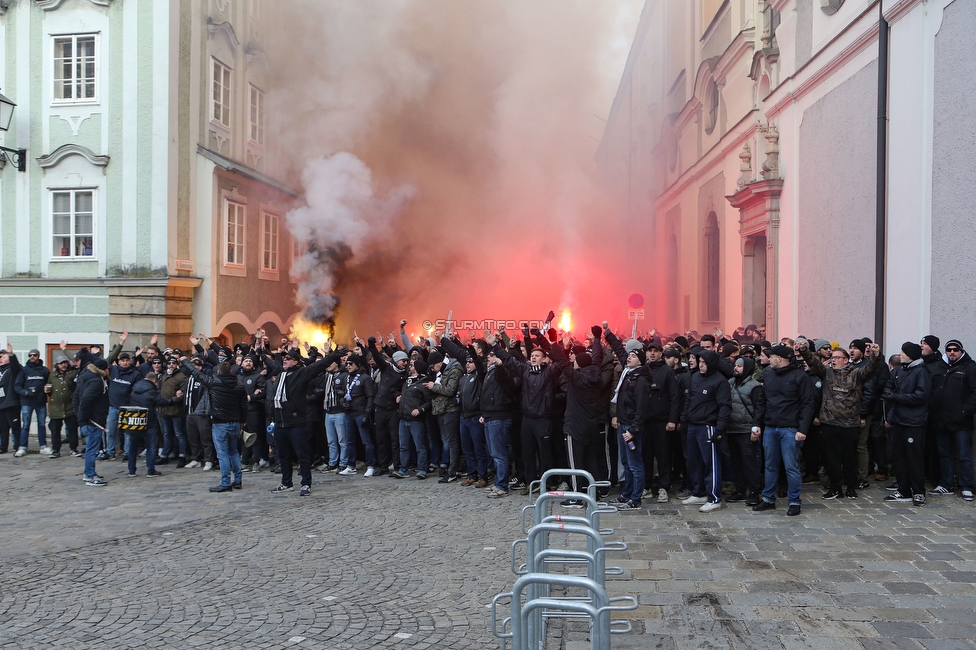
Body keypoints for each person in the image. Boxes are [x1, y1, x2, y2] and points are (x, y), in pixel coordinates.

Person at [799, 340, 881, 500]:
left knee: (850, 458)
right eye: (833, 357)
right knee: (831, 459)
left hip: (849, 425)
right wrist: (804, 350)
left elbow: (871, 369)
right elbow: (813, 363)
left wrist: (876, 355)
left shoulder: (856, 374)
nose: (834, 359)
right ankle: (836, 488)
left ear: (846, 360)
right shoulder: (827, 373)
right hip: (829, 424)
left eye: (837, 357)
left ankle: (851, 487)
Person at [263, 346, 343, 495]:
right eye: (284, 358)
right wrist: (262, 351)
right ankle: (286, 482)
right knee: (283, 455)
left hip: (296, 422)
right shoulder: (280, 375)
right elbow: (272, 366)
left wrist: (333, 355)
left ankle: (306, 483)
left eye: (288, 358)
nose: (285, 360)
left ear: (296, 362)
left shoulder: (302, 374)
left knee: (302, 455)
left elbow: (318, 365)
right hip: (280, 422)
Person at [752, 344, 817, 516]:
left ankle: (794, 501)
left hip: (791, 428)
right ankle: (768, 499)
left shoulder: (800, 376)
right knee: (770, 466)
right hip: (771, 427)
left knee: (791, 466)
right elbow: (762, 402)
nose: (767, 359)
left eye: (770, 356)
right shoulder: (769, 374)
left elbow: (807, 404)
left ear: (779, 358)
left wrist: (802, 429)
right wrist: (757, 424)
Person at [605, 325, 652, 510]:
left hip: (632, 428)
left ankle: (636, 498)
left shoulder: (640, 379)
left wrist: (632, 430)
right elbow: (619, 350)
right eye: (628, 356)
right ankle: (626, 494)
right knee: (626, 462)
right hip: (623, 423)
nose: (628, 357)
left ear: (639, 361)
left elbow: (641, 409)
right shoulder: (629, 372)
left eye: (632, 356)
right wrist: (608, 334)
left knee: (635, 464)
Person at [182, 359, 247, 492]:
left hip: (220, 423)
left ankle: (225, 482)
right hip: (235, 423)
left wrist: (184, 360)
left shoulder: (214, 383)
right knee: (234, 451)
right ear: (230, 371)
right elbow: (244, 405)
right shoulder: (240, 385)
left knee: (222, 454)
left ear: (218, 372)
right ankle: (238, 480)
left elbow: (196, 373)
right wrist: (243, 421)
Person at [679, 349, 732, 513]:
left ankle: (714, 497)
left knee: (711, 463)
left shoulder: (720, 381)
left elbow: (725, 407)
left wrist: (720, 428)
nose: (701, 365)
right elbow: (690, 400)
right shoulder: (695, 378)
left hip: (708, 425)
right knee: (693, 461)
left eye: (703, 362)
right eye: (699, 362)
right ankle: (699, 491)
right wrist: (684, 418)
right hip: (693, 425)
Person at [560, 326, 608, 507]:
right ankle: (592, 494)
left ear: (579, 363)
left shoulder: (577, 377)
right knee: (590, 462)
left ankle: (577, 497)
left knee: (575, 464)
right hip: (591, 426)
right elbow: (596, 357)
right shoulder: (595, 372)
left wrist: (560, 346)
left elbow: (562, 362)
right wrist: (597, 338)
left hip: (575, 427)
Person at [883, 342, 931, 506]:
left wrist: (897, 397)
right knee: (899, 457)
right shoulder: (898, 371)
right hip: (899, 421)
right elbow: (888, 389)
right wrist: (891, 415)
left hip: (914, 422)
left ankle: (918, 492)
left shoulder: (921, 372)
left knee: (914, 458)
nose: (900, 354)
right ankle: (903, 489)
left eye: (902, 352)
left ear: (910, 355)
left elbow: (921, 395)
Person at [929, 339, 976, 501]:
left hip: (961, 421)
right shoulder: (939, 367)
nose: (952, 352)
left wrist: (964, 411)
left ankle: (966, 486)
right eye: (949, 349)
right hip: (941, 420)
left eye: (955, 349)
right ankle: (946, 484)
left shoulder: (969, 367)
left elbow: (974, 393)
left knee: (964, 455)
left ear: (961, 351)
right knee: (944, 454)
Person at [641, 339, 680, 503]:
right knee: (646, 456)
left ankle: (664, 487)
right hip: (644, 421)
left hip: (662, 421)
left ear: (660, 353)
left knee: (663, 456)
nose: (652, 353)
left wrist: (672, 419)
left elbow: (674, 397)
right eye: (650, 351)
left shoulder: (667, 371)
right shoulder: (643, 370)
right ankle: (647, 486)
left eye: (655, 351)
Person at [127, 371, 181, 478]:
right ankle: (150, 470)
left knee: (133, 447)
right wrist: (175, 398)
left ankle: (131, 470)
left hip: (135, 421)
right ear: (155, 381)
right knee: (151, 446)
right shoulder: (151, 390)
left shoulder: (135, 387)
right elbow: (162, 402)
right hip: (148, 421)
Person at [726, 356, 763, 506]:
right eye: (735, 365)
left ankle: (754, 491)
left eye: (739, 366)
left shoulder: (754, 386)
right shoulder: (730, 383)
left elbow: (759, 409)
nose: (736, 368)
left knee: (749, 462)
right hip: (732, 429)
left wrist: (756, 428)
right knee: (735, 462)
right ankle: (740, 490)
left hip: (747, 430)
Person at [424, 349, 463, 483]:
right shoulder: (443, 372)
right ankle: (451, 470)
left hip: (450, 410)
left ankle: (452, 471)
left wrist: (434, 386)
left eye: (432, 366)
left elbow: (450, 390)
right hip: (442, 410)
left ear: (439, 363)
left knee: (452, 442)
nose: (432, 369)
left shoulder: (454, 370)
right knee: (448, 441)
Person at [393, 358, 433, 479]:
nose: (409, 367)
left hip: (416, 420)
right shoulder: (407, 382)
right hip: (403, 418)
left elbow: (429, 402)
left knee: (420, 446)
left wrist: (420, 410)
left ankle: (422, 469)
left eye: (411, 365)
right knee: (403, 446)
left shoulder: (423, 384)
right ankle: (403, 469)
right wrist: (399, 398)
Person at [104, 332, 143, 460]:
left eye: (127, 360)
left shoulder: (135, 374)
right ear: (119, 361)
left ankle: (127, 453)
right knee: (110, 432)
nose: (125, 363)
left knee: (127, 433)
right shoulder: (113, 370)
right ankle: (110, 452)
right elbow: (109, 359)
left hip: (127, 408)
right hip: (113, 407)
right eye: (123, 360)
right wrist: (121, 344)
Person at [74, 354, 110, 486]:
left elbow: (76, 397)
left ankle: (90, 473)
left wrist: (79, 416)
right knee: (92, 449)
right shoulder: (96, 381)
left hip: (89, 419)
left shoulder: (85, 376)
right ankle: (89, 475)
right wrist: (83, 418)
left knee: (91, 448)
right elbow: (85, 399)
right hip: (93, 420)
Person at [14, 349, 51, 456]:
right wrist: (26, 392)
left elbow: (49, 383)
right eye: (30, 355)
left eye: (34, 355)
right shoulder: (24, 370)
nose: (32, 357)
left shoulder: (44, 370)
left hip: (40, 402)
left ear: (38, 356)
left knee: (41, 424)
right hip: (27, 402)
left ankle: (43, 446)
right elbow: (17, 386)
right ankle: (22, 447)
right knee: (25, 425)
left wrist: (48, 390)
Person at [158, 356, 189, 468]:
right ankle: (164, 455)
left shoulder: (181, 377)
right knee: (166, 434)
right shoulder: (164, 375)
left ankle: (182, 455)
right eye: (169, 363)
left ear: (177, 364)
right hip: (164, 410)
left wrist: (172, 400)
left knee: (179, 434)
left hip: (176, 410)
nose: (171, 365)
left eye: (173, 363)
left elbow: (183, 394)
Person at [47, 351, 78, 458]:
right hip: (56, 408)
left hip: (70, 406)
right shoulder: (52, 375)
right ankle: (56, 449)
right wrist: (47, 390)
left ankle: (73, 448)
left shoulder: (73, 373)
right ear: (57, 365)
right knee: (55, 430)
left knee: (72, 429)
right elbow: (48, 387)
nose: (63, 365)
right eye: (61, 363)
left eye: (65, 363)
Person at [0, 343, 22, 454]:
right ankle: (3, 447)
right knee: (2, 428)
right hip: (1, 404)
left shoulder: (11, 370)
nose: (1, 359)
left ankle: (18, 446)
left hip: (11, 403)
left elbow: (15, 365)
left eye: (4, 357)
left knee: (15, 427)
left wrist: (11, 354)